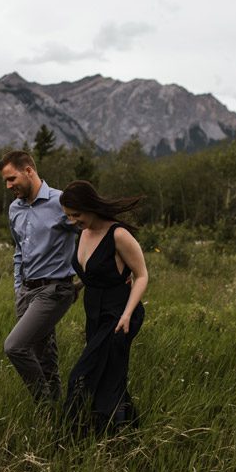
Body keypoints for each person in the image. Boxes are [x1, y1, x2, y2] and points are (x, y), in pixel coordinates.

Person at [59, 180, 148, 434]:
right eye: (68, 216)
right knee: (109, 375)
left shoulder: (118, 234)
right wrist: (78, 286)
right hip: (95, 315)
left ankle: (69, 437)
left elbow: (141, 276)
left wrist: (127, 314)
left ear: (91, 207)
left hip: (119, 315)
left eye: (77, 214)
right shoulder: (83, 233)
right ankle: (127, 433)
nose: (73, 220)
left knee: (81, 376)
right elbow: (96, 273)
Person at [0, 150, 77, 404]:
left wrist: (83, 280)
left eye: (11, 179)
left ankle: (44, 404)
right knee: (44, 357)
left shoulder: (61, 201)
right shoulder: (15, 209)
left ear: (29, 171)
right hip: (27, 292)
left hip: (54, 290)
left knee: (15, 347)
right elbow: (19, 250)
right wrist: (18, 287)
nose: (9, 186)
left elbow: (90, 236)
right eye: (6, 181)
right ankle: (55, 418)